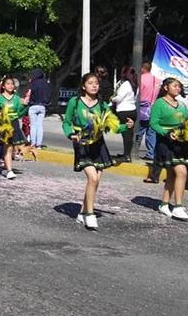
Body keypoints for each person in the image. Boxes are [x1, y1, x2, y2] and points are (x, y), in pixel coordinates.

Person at [63, 73, 133, 230]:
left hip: (99, 145)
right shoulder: (74, 102)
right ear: (83, 86)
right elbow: (67, 123)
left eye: (96, 83)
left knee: (94, 182)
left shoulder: (102, 105)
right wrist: (71, 134)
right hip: (82, 142)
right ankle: (90, 214)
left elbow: (110, 126)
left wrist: (125, 126)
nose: (94, 85)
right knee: (92, 178)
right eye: (90, 83)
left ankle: (82, 213)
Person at [149, 77, 188, 221]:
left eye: (179, 87)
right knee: (182, 171)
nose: (178, 89)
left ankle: (164, 204)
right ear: (166, 87)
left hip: (181, 143)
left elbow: (187, 122)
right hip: (166, 143)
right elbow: (153, 123)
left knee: (172, 175)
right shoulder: (159, 103)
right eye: (175, 86)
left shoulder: (182, 105)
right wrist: (167, 133)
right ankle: (178, 206)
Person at [0, 76, 30, 179]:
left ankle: (6, 165)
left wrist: (25, 105)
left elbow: (19, 113)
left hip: (14, 124)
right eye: (8, 84)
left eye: (12, 84)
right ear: (3, 86)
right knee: (8, 147)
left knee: (12, 148)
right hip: (4, 124)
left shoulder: (16, 98)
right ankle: (9, 171)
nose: (10, 86)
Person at [139, 62, 161, 182]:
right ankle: (150, 153)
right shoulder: (158, 80)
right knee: (151, 132)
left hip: (143, 107)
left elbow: (139, 93)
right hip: (154, 107)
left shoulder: (141, 78)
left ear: (143, 68)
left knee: (140, 129)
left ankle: (135, 149)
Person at [112, 66, 138, 159]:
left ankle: (127, 155)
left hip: (124, 111)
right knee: (128, 133)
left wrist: (111, 98)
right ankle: (126, 154)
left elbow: (118, 98)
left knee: (126, 133)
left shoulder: (125, 84)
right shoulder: (134, 84)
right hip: (132, 110)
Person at [27, 68, 50, 149]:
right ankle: (39, 145)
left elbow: (29, 94)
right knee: (39, 126)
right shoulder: (45, 83)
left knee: (33, 126)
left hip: (33, 106)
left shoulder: (33, 83)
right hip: (42, 106)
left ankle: (33, 143)